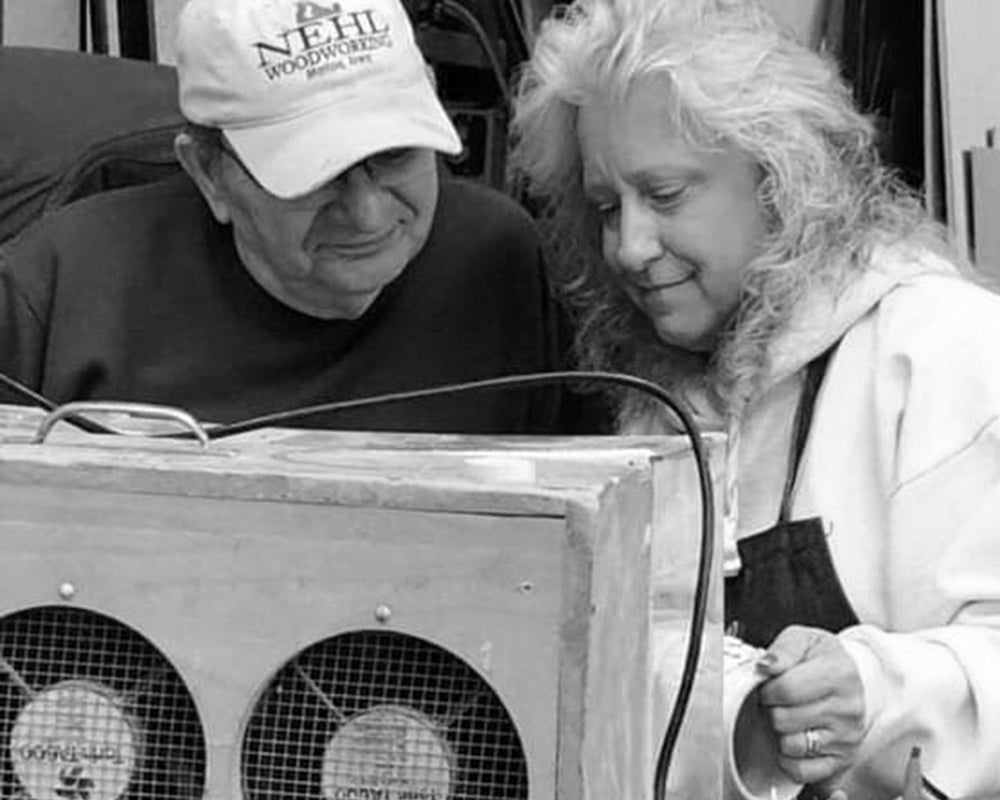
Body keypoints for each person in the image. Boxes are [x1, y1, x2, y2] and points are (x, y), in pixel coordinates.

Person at [510, 0, 1000, 798]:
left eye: (664, 195)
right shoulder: (659, 387)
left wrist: (874, 688)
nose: (629, 247)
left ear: (782, 178)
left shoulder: (942, 354)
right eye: (606, 207)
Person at [0, 0, 571, 434]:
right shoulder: (59, 289)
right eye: (317, 175)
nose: (369, 215)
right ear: (207, 172)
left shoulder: (499, 262)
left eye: (395, 155)